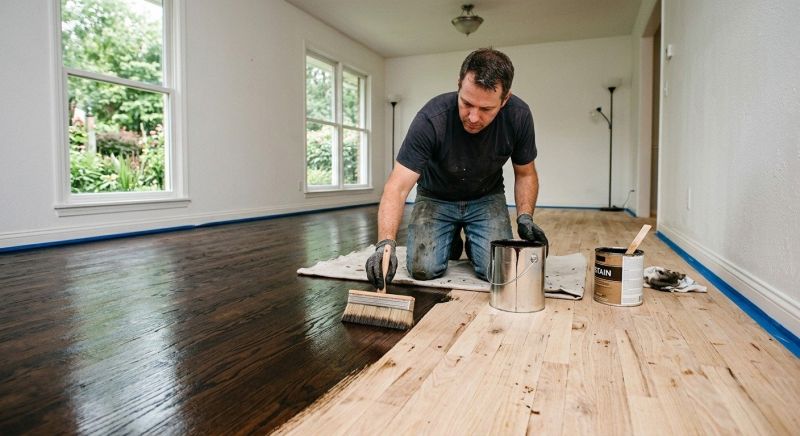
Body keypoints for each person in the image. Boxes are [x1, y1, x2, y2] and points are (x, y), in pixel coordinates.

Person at [366, 48, 548, 289]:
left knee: (499, 270)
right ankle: (450, 238)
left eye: (486, 109)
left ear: (505, 100)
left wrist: (525, 216)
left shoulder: (519, 116)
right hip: (435, 198)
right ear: (459, 84)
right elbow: (397, 186)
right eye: (467, 103)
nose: (473, 117)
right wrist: (385, 243)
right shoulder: (432, 118)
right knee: (423, 270)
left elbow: (525, 173)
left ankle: (474, 240)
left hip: (486, 198)